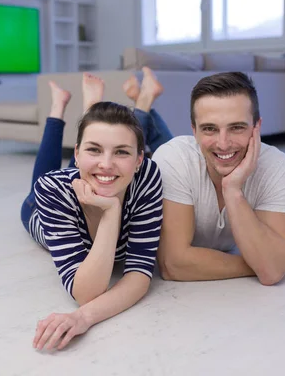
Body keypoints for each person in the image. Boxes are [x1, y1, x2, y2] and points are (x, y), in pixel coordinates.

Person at [21, 70, 172, 351]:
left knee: (102, 171)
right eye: (93, 150)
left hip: (87, 179)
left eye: (122, 152)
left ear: (141, 159)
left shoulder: (148, 175)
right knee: (46, 178)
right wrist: (112, 209)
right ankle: (59, 107)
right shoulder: (53, 190)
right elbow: (87, 293)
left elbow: (139, 275)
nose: (107, 162)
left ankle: (88, 108)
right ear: (75, 152)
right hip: (35, 210)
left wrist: (110, 210)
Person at [151, 72, 285, 286]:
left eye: (236, 127)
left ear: (256, 127)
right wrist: (260, 264)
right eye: (209, 129)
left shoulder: (277, 166)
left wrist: (233, 189)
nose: (223, 143)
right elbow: (173, 264)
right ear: (194, 131)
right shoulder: (173, 158)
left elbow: (273, 271)